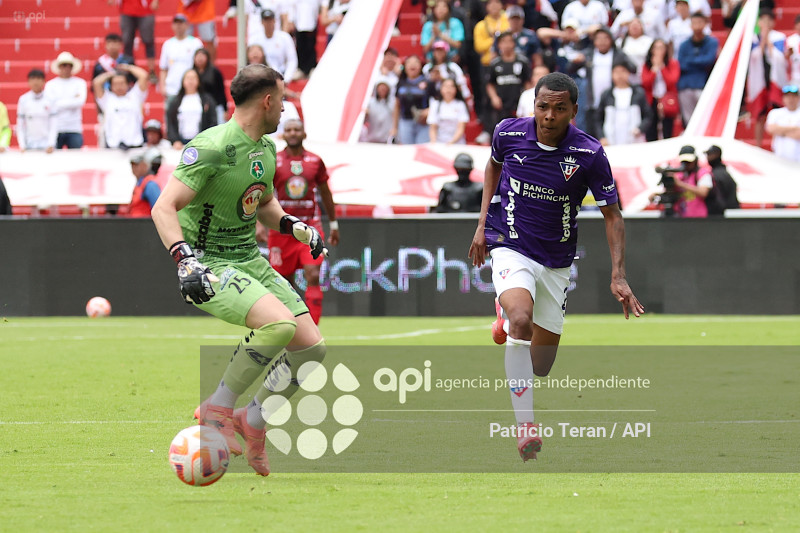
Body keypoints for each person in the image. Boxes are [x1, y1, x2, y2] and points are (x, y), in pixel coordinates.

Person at [151, 64, 328, 476]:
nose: (285, 109)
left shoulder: (265, 149)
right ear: (267, 101)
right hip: (209, 264)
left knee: (312, 350)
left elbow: (262, 203)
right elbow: (164, 206)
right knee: (279, 326)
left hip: (249, 259)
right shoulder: (211, 146)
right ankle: (217, 408)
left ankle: (254, 420)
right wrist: (184, 259)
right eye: (283, 100)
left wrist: (293, 226)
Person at [468, 72, 643, 462]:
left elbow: (612, 215)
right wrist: (482, 226)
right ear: (534, 105)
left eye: (559, 108)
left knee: (541, 366)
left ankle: (506, 317)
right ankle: (526, 427)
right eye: (542, 106)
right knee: (521, 318)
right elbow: (493, 168)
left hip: (557, 261)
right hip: (509, 242)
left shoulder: (590, 154)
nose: (549, 115)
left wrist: (618, 274)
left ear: (573, 111)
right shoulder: (508, 133)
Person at [266, 118, 338, 324]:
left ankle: (313, 328)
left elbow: (326, 193)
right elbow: (262, 197)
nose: (293, 133)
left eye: (297, 129)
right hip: (281, 230)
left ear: (304, 134)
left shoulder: (315, 161)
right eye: (289, 129)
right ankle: (294, 323)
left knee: (313, 275)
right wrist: (259, 225)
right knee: (284, 283)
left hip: (309, 228)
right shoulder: (273, 161)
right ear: (283, 134)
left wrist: (333, 224)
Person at [747, 10, 787, 149]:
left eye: (768, 21)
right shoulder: (753, 38)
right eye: (762, 20)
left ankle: (777, 144)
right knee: (760, 114)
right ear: (758, 22)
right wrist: (762, 39)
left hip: (774, 79)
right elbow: (753, 56)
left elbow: (779, 57)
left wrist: (767, 39)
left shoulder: (779, 37)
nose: (765, 24)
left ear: (773, 22)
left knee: (777, 112)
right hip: (760, 80)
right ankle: (758, 145)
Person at [93, 63, 150, 149]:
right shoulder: (107, 99)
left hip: (135, 144)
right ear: (111, 86)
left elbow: (143, 76)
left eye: (122, 83)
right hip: (113, 145)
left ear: (128, 84)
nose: (119, 87)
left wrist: (127, 68)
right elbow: (96, 83)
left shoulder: (135, 95)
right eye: (115, 84)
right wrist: (112, 73)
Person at [485, 31, 532, 135]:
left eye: (509, 41)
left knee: (519, 132)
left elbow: (527, 82)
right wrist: (494, 98)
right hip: (501, 105)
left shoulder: (522, 62)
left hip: (517, 104)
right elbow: (490, 83)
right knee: (499, 131)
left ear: (514, 43)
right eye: (503, 42)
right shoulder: (495, 63)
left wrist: (527, 100)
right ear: (499, 45)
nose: (506, 45)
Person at [596, 61, 651, 146]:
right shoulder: (607, 95)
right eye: (616, 72)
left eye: (623, 71)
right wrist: (602, 137)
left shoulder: (638, 93)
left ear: (628, 73)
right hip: (611, 140)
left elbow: (648, 115)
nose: (620, 75)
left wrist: (640, 129)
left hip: (634, 140)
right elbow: (598, 119)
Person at [677, 12, 717, 125]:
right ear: (690, 25)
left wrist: (690, 60)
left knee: (705, 119)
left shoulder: (712, 42)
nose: (697, 26)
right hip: (685, 86)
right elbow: (681, 64)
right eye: (694, 23)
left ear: (705, 24)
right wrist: (699, 61)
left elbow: (709, 60)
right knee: (689, 121)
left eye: (700, 22)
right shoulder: (684, 44)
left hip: (704, 85)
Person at [166, 69, 218, 149]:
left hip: (201, 143)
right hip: (181, 143)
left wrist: (206, 140)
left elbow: (212, 121)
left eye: (193, 78)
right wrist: (175, 140)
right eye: (188, 78)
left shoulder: (207, 100)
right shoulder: (175, 102)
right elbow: (170, 123)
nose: (191, 81)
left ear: (198, 81)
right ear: (183, 81)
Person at [158, 14, 204, 106]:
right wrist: (163, 86)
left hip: (190, 89)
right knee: (171, 117)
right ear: (172, 26)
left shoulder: (195, 43)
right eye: (176, 23)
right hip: (172, 88)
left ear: (187, 25)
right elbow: (163, 68)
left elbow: (201, 66)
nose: (179, 26)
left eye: (181, 23)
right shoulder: (168, 44)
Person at [44, 52, 87, 149]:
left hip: (74, 127)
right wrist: (71, 100)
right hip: (56, 127)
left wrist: (58, 103)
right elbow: (49, 105)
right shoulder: (50, 85)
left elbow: (80, 101)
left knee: (76, 159)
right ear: (59, 67)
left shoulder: (80, 83)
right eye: (63, 65)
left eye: (69, 65)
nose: (66, 68)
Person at [641, 38, 680, 141]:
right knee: (651, 129)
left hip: (667, 99)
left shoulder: (673, 63)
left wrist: (662, 67)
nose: (658, 51)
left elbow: (672, 81)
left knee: (668, 129)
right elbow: (645, 83)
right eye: (656, 48)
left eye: (661, 48)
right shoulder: (647, 65)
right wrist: (654, 69)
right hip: (652, 99)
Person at [110, 0, 158, 77]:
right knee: (127, 41)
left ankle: (152, 70)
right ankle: (128, 69)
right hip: (126, 9)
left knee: (148, 40)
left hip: (145, 9)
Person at [249, 10, 298, 84]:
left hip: (280, 74)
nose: (268, 23)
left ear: (274, 21)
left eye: (270, 20)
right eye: (266, 20)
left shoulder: (284, 37)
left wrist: (286, 79)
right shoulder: (254, 39)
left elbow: (292, 60)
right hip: (260, 77)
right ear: (262, 22)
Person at [390, 55, 430, 145]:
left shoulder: (428, 82)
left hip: (423, 124)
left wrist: (428, 111)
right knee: (406, 150)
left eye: (416, 62)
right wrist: (394, 127)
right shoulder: (400, 83)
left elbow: (436, 101)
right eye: (409, 63)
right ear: (405, 67)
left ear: (420, 66)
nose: (413, 65)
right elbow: (397, 105)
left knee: (422, 148)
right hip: (405, 122)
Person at [15, 69, 57, 152]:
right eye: (33, 79)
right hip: (29, 145)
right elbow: (20, 125)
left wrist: (51, 144)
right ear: (28, 82)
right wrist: (22, 145)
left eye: (38, 79)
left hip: (47, 146)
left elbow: (54, 124)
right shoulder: (23, 100)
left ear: (44, 81)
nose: (35, 82)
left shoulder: (51, 99)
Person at [672, 145, 712, 218]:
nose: (686, 164)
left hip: (699, 218)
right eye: (684, 161)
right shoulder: (679, 175)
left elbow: (703, 192)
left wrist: (680, 184)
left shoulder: (702, 173)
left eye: (689, 161)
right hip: (681, 217)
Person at [427, 77, 470, 144]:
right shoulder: (435, 104)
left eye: (451, 87)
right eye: (445, 86)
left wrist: (451, 143)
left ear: (456, 89)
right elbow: (433, 128)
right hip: (439, 143)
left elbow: (461, 128)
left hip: (457, 143)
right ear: (441, 89)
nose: (448, 90)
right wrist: (434, 143)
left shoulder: (460, 104)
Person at [765, 84, 800, 162]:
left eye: (793, 96)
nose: (791, 99)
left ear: (798, 98)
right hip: (779, 159)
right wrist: (794, 128)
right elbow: (771, 129)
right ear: (783, 98)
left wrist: (780, 131)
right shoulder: (775, 113)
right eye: (788, 97)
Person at [124, 147, 162, 217]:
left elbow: (159, 210)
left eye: (137, 165)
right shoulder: (140, 183)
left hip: (145, 225)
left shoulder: (150, 185)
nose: (134, 169)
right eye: (132, 166)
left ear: (144, 166)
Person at [193, 48, 228, 124]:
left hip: (216, 105)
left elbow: (221, 91)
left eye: (202, 56)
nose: (200, 59)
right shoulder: (192, 73)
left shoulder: (215, 72)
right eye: (198, 56)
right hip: (197, 105)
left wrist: (225, 109)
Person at [703, 145, 739, 216]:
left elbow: (720, 200)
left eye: (709, 154)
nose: (707, 157)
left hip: (720, 216)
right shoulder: (722, 172)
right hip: (725, 214)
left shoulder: (717, 174)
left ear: (716, 155)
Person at [363, 78, 395, 143]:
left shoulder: (393, 103)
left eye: (385, 87)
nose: (383, 89)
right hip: (372, 138)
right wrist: (365, 114)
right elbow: (364, 120)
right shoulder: (370, 103)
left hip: (387, 139)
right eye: (380, 87)